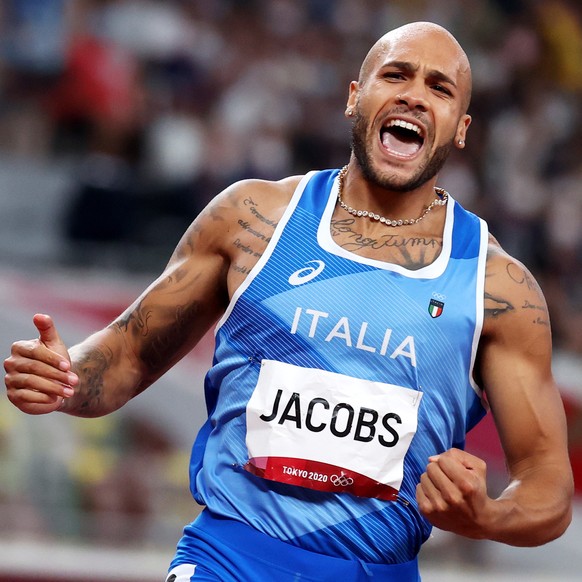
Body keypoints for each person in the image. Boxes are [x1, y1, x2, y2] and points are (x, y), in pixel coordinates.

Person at [4, 21, 573, 582]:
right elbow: (127, 355)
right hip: (229, 558)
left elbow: (549, 484)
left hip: (375, 571)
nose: (414, 96)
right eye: (395, 74)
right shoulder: (252, 219)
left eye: (439, 88)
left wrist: (489, 516)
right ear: (355, 97)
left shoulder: (497, 288)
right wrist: (63, 375)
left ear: (462, 128)